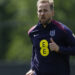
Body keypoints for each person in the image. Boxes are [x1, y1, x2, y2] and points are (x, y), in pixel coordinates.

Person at [25, 0, 75, 75]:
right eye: (40, 11)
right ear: (37, 13)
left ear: (52, 12)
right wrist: (32, 68)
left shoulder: (62, 30)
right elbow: (35, 52)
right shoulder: (32, 32)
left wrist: (59, 49)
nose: (42, 14)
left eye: (45, 10)